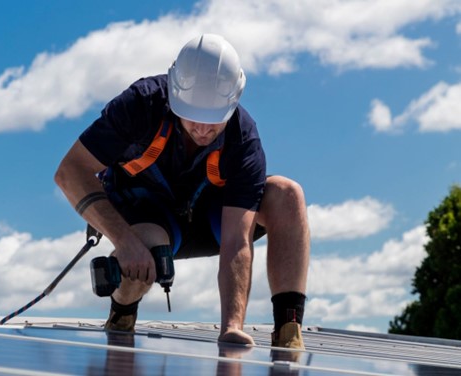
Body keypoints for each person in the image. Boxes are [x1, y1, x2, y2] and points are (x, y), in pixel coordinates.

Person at [55, 33, 309, 349]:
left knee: (287, 194)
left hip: (213, 220)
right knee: (147, 245)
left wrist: (232, 327)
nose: (202, 129)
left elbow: (236, 241)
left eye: (213, 121)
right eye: (193, 117)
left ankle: (288, 329)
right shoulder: (140, 104)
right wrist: (124, 240)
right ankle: (122, 314)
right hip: (147, 213)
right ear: (175, 95)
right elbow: (69, 172)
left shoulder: (243, 140)